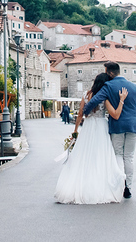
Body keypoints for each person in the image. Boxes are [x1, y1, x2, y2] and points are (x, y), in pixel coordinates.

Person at [54, 73, 127, 204]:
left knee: (83, 155)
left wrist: (75, 130)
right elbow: (115, 114)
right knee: (100, 157)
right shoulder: (105, 97)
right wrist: (121, 100)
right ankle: (100, 185)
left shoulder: (86, 95)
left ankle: (80, 185)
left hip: (87, 127)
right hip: (100, 127)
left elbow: (80, 114)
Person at [83, 61, 136, 199]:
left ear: (109, 73)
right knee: (129, 157)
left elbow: (95, 100)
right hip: (133, 126)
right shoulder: (134, 87)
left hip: (117, 126)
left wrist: (85, 111)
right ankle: (128, 187)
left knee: (118, 155)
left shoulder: (108, 86)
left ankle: (119, 186)